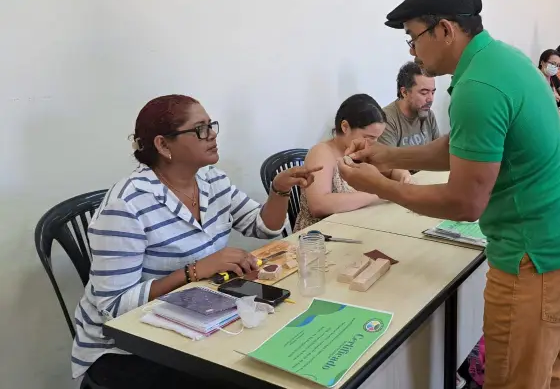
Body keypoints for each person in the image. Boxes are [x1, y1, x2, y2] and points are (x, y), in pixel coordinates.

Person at [338, 0, 560, 389]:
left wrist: (379, 186)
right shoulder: (500, 59)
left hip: (534, 258)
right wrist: (387, 156)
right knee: (551, 373)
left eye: (413, 38)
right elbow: (462, 147)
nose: (412, 52)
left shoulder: (477, 87)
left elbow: (465, 202)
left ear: (444, 30)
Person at [71, 95, 320, 389]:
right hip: (127, 349)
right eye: (200, 129)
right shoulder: (127, 205)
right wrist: (194, 271)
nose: (212, 134)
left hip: (194, 315)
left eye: (211, 125)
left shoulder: (212, 180)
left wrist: (279, 190)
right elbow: (114, 307)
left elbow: (263, 227)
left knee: (283, 347)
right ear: (163, 145)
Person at [293, 94, 410, 231]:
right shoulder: (321, 153)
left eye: (377, 138)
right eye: (369, 137)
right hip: (321, 234)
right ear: (345, 127)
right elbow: (319, 205)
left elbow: (389, 170)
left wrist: (401, 173)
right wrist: (381, 192)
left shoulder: (361, 151)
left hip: (356, 225)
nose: (373, 143)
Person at [379, 61, 441, 147]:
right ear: (404, 92)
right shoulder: (387, 119)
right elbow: (388, 155)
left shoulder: (429, 114)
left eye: (432, 93)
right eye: (424, 93)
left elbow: (439, 150)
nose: (430, 99)